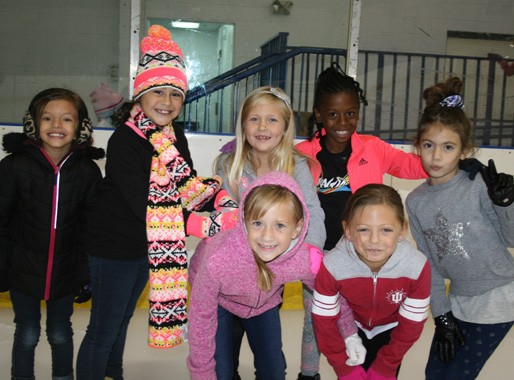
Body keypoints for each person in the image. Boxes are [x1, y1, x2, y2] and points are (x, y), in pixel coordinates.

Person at [76, 25, 236, 380]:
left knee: (120, 322)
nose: (167, 101)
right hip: (113, 247)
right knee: (103, 330)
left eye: (175, 94)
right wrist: (205, 224)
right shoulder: (125, 141)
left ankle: (112, 374)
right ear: (141, 96)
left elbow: (187, 183)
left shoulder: (174, 134)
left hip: (145, 248)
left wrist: (220, 198)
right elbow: (144, 205)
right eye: (158, 92)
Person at [187, 171, 359, 380]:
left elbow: (332, 294)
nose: (267, 237)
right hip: (219, 300)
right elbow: (201, 320)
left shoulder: (302, 259)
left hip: (264, 302)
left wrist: (350, 335)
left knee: (274, 372)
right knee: (220, 372)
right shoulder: (218, 260)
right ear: (243, 220)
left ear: (296, 229)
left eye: (279, 225)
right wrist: (202, 374)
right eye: (258, 223)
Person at [405, 76, 514, 380]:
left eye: (448, 147)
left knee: (457, 376)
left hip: (500, 296)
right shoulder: (415, 201)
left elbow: (512, 237)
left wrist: (506, 203)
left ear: (465, 151)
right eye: (429, 145)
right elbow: (429, 264)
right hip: (459, 301)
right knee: (435, 373)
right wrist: (441, 315)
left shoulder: (478, 184)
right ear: (417, 146)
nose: (437, 156)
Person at [214, 86, 326, 380]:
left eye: (272, 120)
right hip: (230, 278)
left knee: (269, 358)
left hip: (269, 280)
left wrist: (311, 250)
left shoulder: (296, 166)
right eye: (254, 119)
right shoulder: (229, 165)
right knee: (224, 356)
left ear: (286, 127)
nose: (262, 127)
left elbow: (312, 211)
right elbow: (221, 216)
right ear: (243, 125)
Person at [0, 88, 104, 380]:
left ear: (80, 128)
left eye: (66, 119)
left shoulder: (87, 172)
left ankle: (62, 376)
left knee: (60, 333)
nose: (56, 126)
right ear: (33, 124)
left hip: (66, 272)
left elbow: (91, 230)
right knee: (28, 332)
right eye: (47, 118)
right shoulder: (13, 167)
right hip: (22, 269)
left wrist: (87, 275)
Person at [296, 62, 428, 254]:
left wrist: (457, 163)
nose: (342, 121)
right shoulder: (301, 154)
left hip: (363, 253)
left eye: (350, 113)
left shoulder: (373, 148)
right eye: (333, 114)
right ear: (318, 114)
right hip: (317, 253)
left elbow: (418, 166)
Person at [312, 184, 431, 380]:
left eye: (386, 230)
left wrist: (386, 365)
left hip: (392, 333)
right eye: (363, 230)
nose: (374, 240)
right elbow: (324, 324)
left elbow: (411, 325)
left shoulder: (417, 267)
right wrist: (343, 367)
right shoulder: (332, 265)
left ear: (402, 230)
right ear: (348, 230)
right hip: (350, 328)